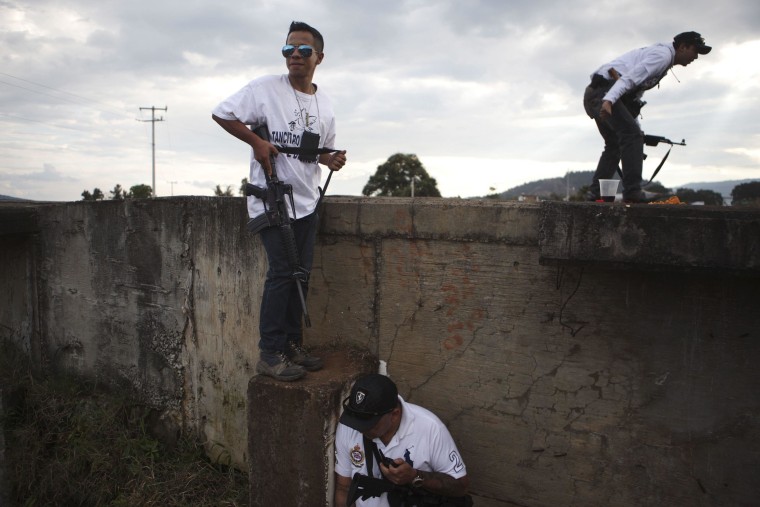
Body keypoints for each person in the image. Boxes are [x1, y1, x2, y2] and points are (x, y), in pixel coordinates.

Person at [211, 21, 347, 381]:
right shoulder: (264, 89)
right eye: (289, 50)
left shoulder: (325, 104)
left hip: (307, 201)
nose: (295, 56)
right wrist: (256, 142)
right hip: (273, 200)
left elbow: (315, 151)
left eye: (304, 50)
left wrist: (329, 159)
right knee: (282, 274)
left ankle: (291, 345)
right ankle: (269, 353)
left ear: (319, 57)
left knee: (299, 276)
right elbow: (222, 113)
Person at [583, 31, 711, 203]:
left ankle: (595, 194)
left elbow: (634, 93)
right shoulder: (662, 56)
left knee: (615, 144)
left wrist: (633, 123)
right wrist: (609, 100)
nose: (696, 57)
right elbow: (629, 79)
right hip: (603, 92)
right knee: (632, 136)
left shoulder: (663, 58)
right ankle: (633, 191)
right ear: (682, 47)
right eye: (695, 51)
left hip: (595, 93)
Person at [334, 373, 471, 507]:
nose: (360, 428)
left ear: (394, 414)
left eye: (369, 424)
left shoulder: (430, 428)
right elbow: (344, 488)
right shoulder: (350, 426)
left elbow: (461, 486)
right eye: (357, 420)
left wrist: (415, 477)